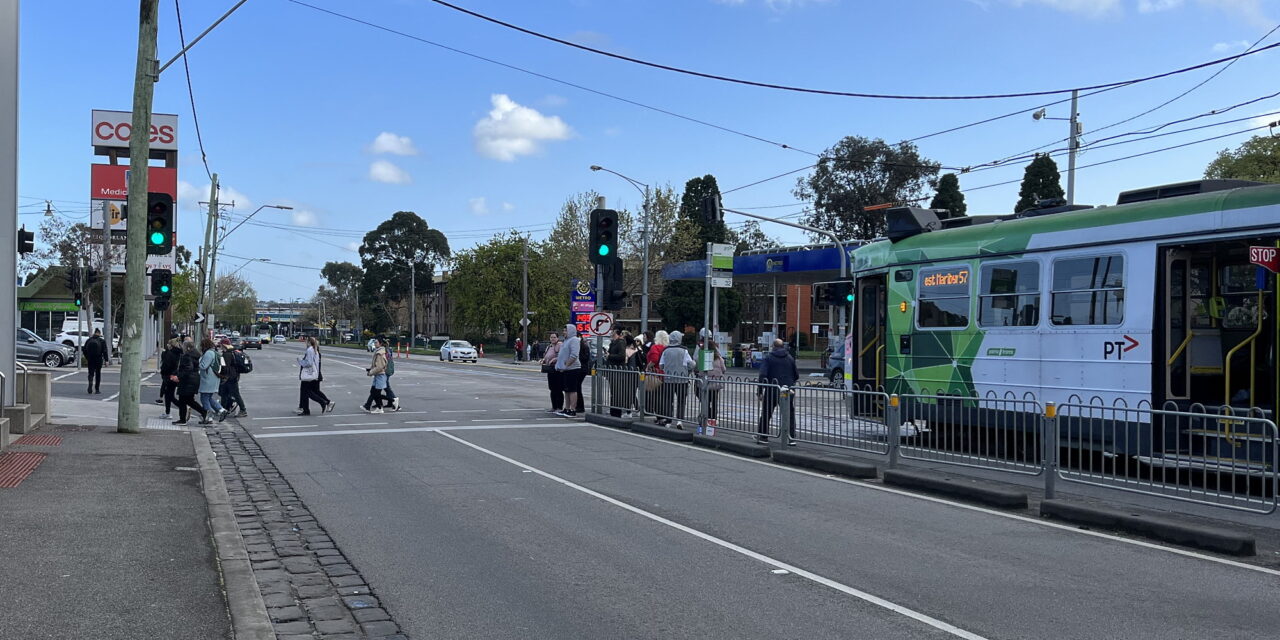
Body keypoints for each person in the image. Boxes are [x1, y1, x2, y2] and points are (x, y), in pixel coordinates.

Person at [757, 338, 799, 444]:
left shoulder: (769, 358)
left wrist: (760, 391)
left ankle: (763, 436)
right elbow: (796, 375)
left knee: (767, 412)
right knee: (788, 413)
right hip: (787, 389)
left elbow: (763, 375)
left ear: (773, 346)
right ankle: (791, 437)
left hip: (772, 389)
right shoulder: (790, 358)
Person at [658, 331, 695, 428]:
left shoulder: (666, 350)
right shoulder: (684, 351)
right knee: (681, 400)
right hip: (682, 379)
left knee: (668, 400)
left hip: (668, 379)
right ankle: (679, 421)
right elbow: (690, 363)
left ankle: (668, 420)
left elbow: (661, 365)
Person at [172, 341, 207, 425]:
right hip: (194, 379)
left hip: (187, 381)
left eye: (183, 346)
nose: (182, 348)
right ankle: (203, 412)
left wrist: (178, 376)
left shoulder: (187, 356)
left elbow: (188, 368)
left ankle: (183, 419)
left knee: (183, 400)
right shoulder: (196, 355)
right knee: (189, 400)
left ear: (187, 347)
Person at [297, 336, 334, 415]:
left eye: (306, 341)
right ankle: (306, 409)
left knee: (307, 392)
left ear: (309, 342)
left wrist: (301, 362)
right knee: (308, 391)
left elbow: (309, 363)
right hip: (313, 374)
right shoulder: (315, 350)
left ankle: (322, 402)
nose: (305, 343)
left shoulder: (310, 350)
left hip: (309, 374)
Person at [554, 324, 584, 418]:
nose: (564, 332)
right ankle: (566, 408)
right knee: (566, 390)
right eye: (563, 331)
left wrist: (566, 365)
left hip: (573, 369)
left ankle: (573, 409)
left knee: (572, 390)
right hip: (565, 369)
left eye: (565, 330)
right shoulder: (566, 341)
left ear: (570, 331)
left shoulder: (574, 340)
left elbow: (574, 355)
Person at [198, 338, 228, 423]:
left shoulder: (208, 353)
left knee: (204, 398)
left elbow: (203, 366)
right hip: (214, 378)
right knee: (208, 398)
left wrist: (199, 361)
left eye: (201, 346)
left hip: (208, 379)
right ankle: (221, 410)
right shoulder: (215, 352)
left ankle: (209, 416)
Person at [218, 338, 249, 418]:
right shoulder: (232, 351)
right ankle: (223, 409)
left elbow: (225, 366)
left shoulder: (226, 354)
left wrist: (221, 374)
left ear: (224, 345)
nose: (220, 346)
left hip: (229, 377)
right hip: (233, 376)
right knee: (224, 394)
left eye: (221, 344)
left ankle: (243, 410)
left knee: (235, 394)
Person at [699, 338, 727, 423]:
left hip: (705, 383)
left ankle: (706, 416)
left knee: (705, 400)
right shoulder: (718, 358)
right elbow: (724, 369)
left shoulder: (702, 356)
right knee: (714, 400)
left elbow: (699, 370)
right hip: (716, 383)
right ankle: (714, 417)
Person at [605, 328, 628, 418]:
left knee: (617, 392)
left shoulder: (620, 342)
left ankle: (617, 411)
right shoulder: (613, 342)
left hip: (617, 370)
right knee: (613, 391)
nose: (611, 332)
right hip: (612, 370)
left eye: (612, 330)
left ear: (616, 332)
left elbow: (622, 356)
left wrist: (610, 356)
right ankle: (613, 410)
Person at [364, 338, 389, 413]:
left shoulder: (380, 353)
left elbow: (379, 366)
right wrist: (371, 370)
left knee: (376, 393)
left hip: (380, 375)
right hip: (377, 374)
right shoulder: (378, 351)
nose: (375, 343)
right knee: (374, 392)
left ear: (380, 343)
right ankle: (377, 407)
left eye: (376, 342)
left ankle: (390, 401)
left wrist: (370, 372)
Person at [158, 338, 181, 418]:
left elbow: (166, 365)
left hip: (169, 376)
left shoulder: (170, 353)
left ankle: (181, 407)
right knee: (169, 395)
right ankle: (168, 412)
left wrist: (163, 372)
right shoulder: (179, 353)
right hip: (175, 375)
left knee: (169, 395)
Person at [540, 332, 562, 413]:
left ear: (557, 338)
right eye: (551, 337)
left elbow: (562, 355)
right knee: (552, 388)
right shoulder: (549, 346)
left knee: (558, 388)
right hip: (550, 369)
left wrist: (554, 359)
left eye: (554, 337)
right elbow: (546, 356)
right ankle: (554, 406)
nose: (552, 339)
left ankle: (559, 407)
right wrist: (543, 360)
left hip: (557, 370)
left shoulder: (559, 345)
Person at [82, 329, 107, 394]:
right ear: (99, 333)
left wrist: (87, 357)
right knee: (98, 374)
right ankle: (97, 389)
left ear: (94, 333)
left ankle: (90, 385)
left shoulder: (89, 340)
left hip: (90, 359)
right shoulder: (102, 341)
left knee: (91, 373)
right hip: (98, 359)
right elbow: (104, 351)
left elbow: (84, 350)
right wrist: (106, 360)